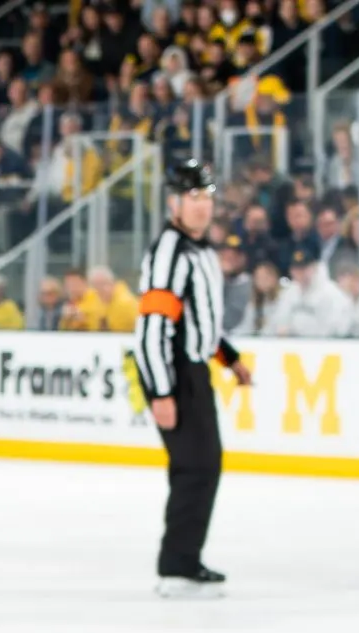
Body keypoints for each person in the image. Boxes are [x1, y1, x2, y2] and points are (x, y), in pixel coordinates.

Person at [135, 158, 253, 599]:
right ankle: (177, 566)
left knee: (205, 465)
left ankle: (184, 559)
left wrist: (229, 357)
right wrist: (161, 391)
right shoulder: (170, 252)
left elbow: (201, 320)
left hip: (195, 369)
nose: (202, 207)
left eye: (207, 198)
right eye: (193, 198)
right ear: (174, 203)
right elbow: (152, 329)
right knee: (194, 468)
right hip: (175, 373)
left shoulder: (201, 250)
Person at [265, 245, 353, 336]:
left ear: (313, 268)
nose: (299, 272)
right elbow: (278, 320)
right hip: (292, 345)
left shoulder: (330, 292)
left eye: (303, 268)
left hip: (323, 345)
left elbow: (336, 327)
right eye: (296, 268)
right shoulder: (289, 293)